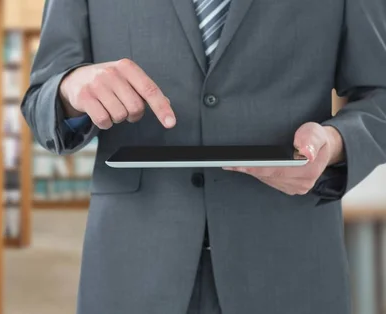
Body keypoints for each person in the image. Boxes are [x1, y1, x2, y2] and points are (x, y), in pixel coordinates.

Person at [20, 0, 386, 312]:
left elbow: (380, 96)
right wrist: (71, 90)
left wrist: (335, 141)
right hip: (133, 262)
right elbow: (41, 99)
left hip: (288, 263)